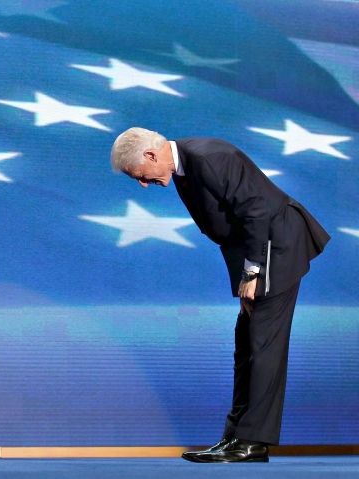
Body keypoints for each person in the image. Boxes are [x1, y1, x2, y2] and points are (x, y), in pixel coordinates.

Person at [110, 127, 330, 463]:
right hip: (258, 249)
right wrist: (243, 279)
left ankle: (253, 442)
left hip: (277, 244)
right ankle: (235, 438)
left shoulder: (211, 157)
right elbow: (227, 230)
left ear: (151, 155)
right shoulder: (185, 166)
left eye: (139, 174)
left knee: (263, 343)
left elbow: (257, 212)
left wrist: (252, 272)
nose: (141, 183)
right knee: (247, 342)